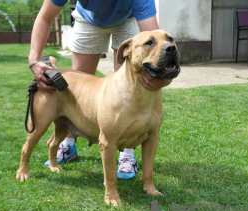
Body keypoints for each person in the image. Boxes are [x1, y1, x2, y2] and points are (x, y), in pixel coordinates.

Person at [28, 0, 165, 180]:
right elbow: (45, 17)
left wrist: (161, 77)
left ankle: (127, 155)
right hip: (88, 20)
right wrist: (34, 59)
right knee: (76, 91)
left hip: (128, 19)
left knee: (130, 87)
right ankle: (68, 144)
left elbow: (155, 41)